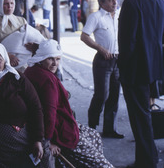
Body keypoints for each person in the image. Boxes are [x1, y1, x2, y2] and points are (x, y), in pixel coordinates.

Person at [24, 39, 114, 168]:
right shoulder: (47, 80)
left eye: (58, 59)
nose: (55, 63)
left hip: (58, 124)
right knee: (101, 164)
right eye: (50, 59)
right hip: (59, 132)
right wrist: (49, 141)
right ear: (41, 58)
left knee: (94, 135)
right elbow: (49, 113)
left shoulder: (31, 70)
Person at [0, 42, 50, 167]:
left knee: (43, 151)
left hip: (21, 136)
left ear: (5, 60)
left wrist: (37, 139)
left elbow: (35, 108)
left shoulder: (17, 78)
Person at [118, 0, 164, 167]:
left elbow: (127, 42)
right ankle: (149, 157)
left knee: (140, 117)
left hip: (134, 70)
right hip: (154, 66)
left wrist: (121, 66)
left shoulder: (131, 2)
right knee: (145, 114)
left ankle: (146, 161)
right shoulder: (160, 1)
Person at [80, 0, 124, 139]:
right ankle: (92, 128)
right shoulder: (96, 17)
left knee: (114, 96)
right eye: (111, 0)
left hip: (118, 60)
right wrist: (100, 48)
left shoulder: (119, 15)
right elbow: (84, 36)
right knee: (101, 95)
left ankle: (109, 129)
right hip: (103, 60)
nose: (115, 2)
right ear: (102, 2)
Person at [0, 0, 45, 71]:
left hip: (25, 61)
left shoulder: (21, 20)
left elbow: (30, 36)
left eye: (11, 3)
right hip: (5, 62)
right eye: (6, 4)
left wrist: (35, 46)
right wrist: (7, 55)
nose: (9, 6)